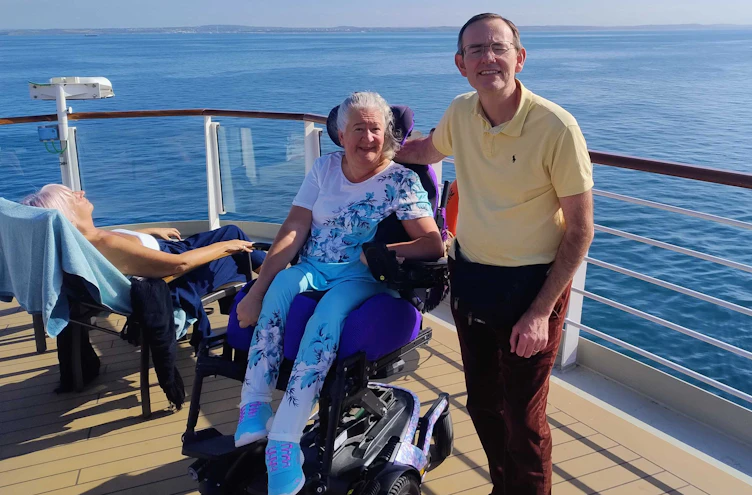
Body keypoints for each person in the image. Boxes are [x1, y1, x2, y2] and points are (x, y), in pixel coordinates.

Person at [395, 13, 594, 495]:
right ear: (461, 64)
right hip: (472, 279)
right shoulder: (461, 111)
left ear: (519, 58)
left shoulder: (556, 127)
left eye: (498, 48)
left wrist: (540, 312)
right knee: (484, 404)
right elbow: (427, 150)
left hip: (532, 289)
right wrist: (372, 150)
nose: (488, 58)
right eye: (476, 50)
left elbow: (581, 230)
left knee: (523, 419)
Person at [231, 92, 444, 495]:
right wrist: (258, 289)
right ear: (342, 135)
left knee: (326, 317)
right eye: (358, 129)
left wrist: (380, 252)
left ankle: (284, 442)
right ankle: (254, 405)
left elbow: (433, 245)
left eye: (375, 129)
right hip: (313, 266)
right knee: (278, 290)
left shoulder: (400, 180)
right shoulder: (325, 168)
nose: (368, 138)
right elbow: (295, 227)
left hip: (361, 278)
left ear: (387, 133)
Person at [21, 183, 265, 339]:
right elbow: (179, 265)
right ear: (69, 215)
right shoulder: (103, 243)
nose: (81, 192)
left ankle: (257, 291)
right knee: (236, 248)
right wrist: (225, 247)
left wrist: (147, 233)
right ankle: (262, 298)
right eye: (73, 197)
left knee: (232, 234)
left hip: (167, 251)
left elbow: (124, 249)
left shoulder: (83, 240)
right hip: (174, 277)